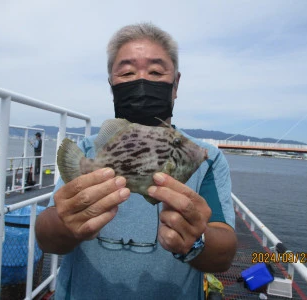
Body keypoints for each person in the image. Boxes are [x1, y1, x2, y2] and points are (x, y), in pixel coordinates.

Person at [35, 23, 237, 299]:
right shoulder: (88, 148)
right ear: (112, 86)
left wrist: (196, 239)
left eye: (155, 71)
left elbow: (224, 254)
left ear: (175, 84)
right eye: (127, 72)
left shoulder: (209, 158)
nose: (142, 82)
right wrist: (65, 222)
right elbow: (46, 238)